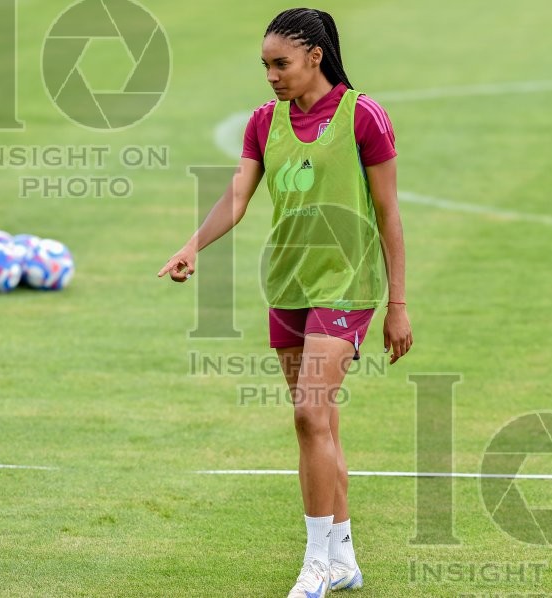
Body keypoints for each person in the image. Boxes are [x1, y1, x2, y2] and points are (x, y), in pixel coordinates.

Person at [158, 9, 412, 597]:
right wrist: (192, 246)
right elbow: (238, 194)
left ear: (315, 57)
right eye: (266, 66)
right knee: (318, 426)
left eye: (282, 64)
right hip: (287, 285)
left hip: (347, 284)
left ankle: (315, 563)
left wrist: (397, 304)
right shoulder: (263, 122)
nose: (271, 75)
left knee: (307, 414)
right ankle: (343, 555)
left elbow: (390, 214)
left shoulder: (363, 116)